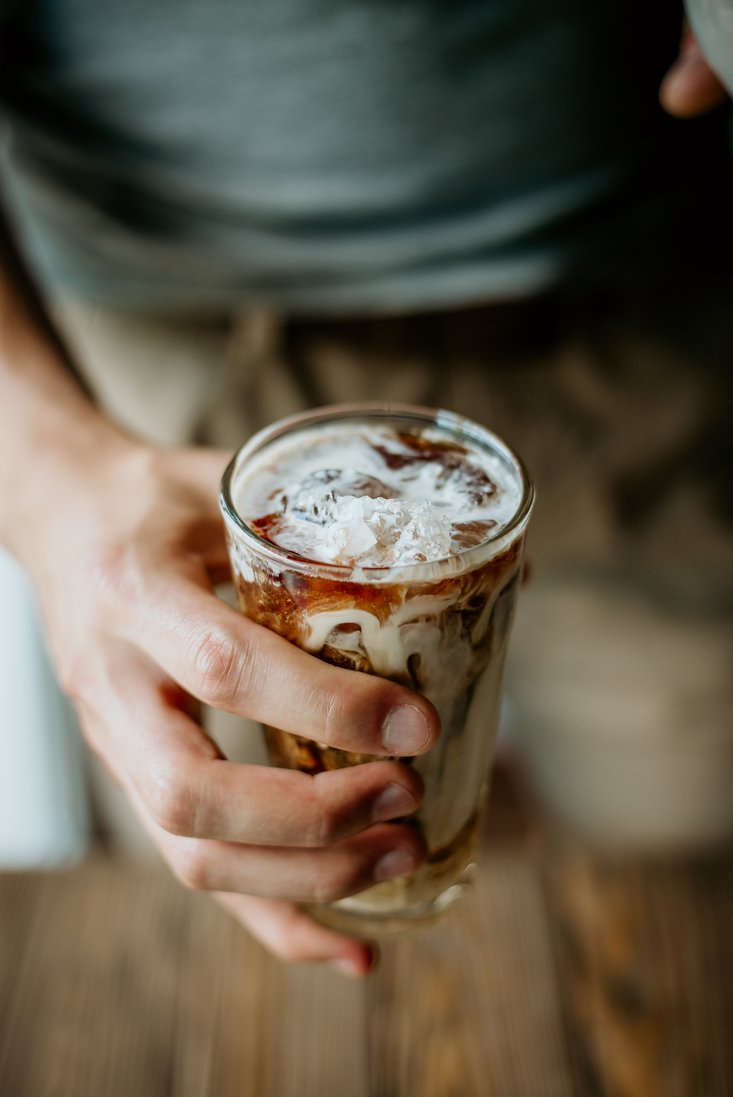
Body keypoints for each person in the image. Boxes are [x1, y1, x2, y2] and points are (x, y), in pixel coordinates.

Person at [0, 1, 731, 977]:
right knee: (244, 871)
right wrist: (48, 479)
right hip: (174, 368)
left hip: (659, 319)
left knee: (685, 884)